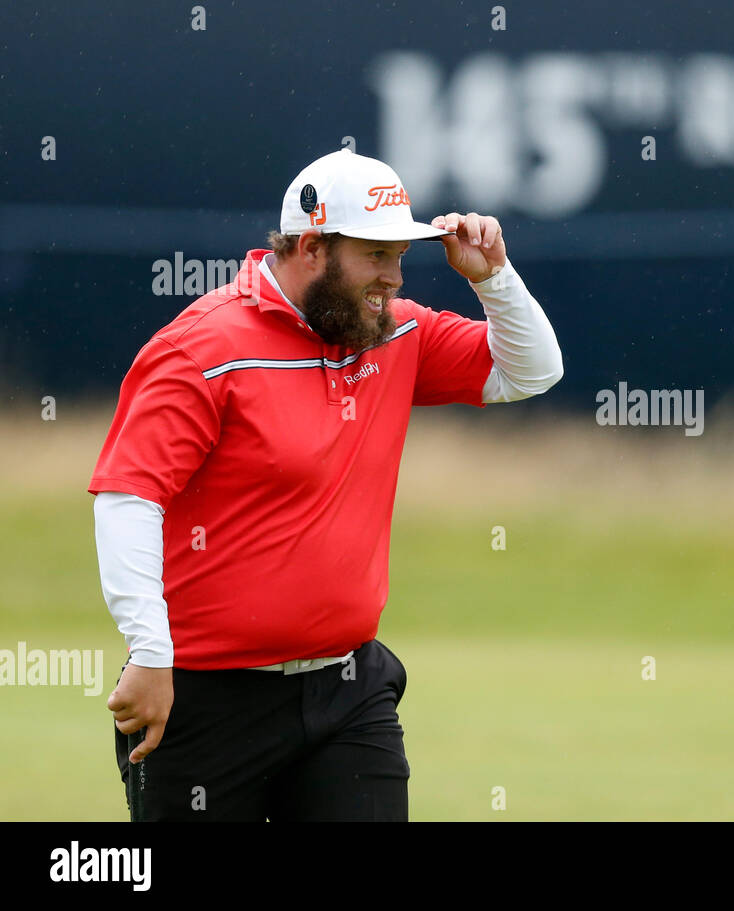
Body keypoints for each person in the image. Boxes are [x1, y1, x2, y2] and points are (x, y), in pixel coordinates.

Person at [88, 148, 563, 821]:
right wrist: (149, 650)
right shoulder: (202, 349)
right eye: (376, 255)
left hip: (349, 693)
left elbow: (529, 371)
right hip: (203, 699)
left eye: (400, 256)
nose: (394, 277)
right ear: (312, 245)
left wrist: (496, 279)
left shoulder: (392, 329)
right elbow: (129, 496)